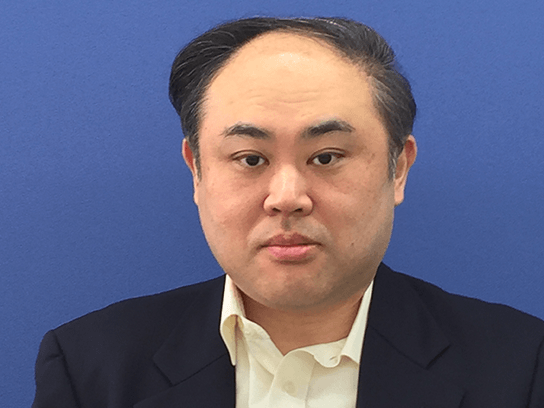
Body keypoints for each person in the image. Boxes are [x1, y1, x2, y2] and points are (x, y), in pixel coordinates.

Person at [32, 17, 544, 408]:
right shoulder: (90, 369)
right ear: (196, 172)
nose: (286, 196)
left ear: (399, 169)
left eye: (326, 157)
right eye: (250, 159)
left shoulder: (522, 367)